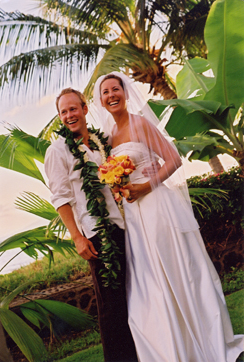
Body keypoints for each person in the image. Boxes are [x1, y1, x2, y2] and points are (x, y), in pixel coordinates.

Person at [92, 72, 244, 362]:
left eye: (116, 89)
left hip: (157, 207)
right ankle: (166, 344)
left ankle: (200, 338)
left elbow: (173, 159)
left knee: (177, 271)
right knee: (148, 281)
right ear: (100, 100)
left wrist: (146, 184)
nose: (111, 95)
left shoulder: (140, 123)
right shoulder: (108, 138)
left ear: (125, 92)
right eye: (106, 92)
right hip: (135, 217)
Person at [44, 88, 138, 362]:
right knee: (111, 305)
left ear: (85, 109)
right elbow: (60, 198)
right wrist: (77, 237)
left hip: (122, 224)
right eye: (63, 112)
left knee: (132, 296)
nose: (69, 115)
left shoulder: (99, 141)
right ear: (60, 117)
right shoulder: (57, 150)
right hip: (97, 234)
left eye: (73, 109)